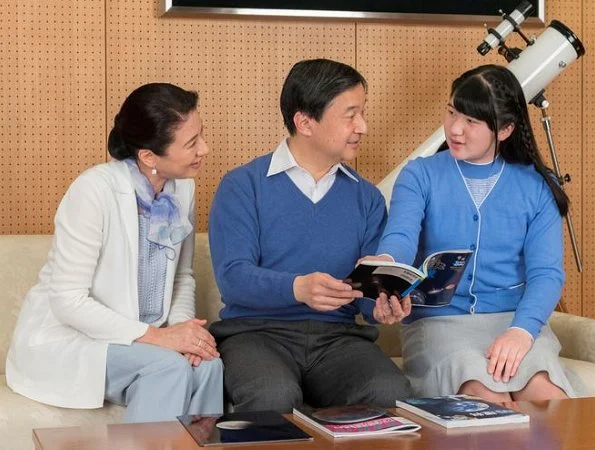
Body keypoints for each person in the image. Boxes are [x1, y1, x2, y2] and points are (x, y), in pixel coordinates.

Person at [6, 83, 223, 422]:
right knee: (167, 368)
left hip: (143, 338)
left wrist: (184, 331)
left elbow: (182, 276)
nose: (205, 149)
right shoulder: (93, 191)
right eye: (192, 143)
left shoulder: (183, 188)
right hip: (76, 338)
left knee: (208, 365)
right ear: (148, 156)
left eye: (201, 136)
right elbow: (68, 301)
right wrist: (159, 337)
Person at [208, 58, 412, 413]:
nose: (362, 126)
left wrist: (383, 305)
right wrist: (297, 288)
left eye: (362, 112)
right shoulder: (242, 186)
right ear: (305, 121)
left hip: (339, 339)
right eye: (350, 114)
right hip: (255, 335)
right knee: (272, 396)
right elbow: (233, 278)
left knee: (389, 390)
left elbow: (364, 297)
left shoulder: (367, 198)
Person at [365, 64, 578, 402]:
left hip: (515, 322)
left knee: (547, 397)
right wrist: (386, 264)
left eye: (471, 121)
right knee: (482, 397)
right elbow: (401, 237)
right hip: (439, 325)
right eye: (452, 112)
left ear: (505, 129)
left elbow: (546, 273)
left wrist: (522, 331)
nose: (455, 129)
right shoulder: (420, 174)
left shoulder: (538, 186)